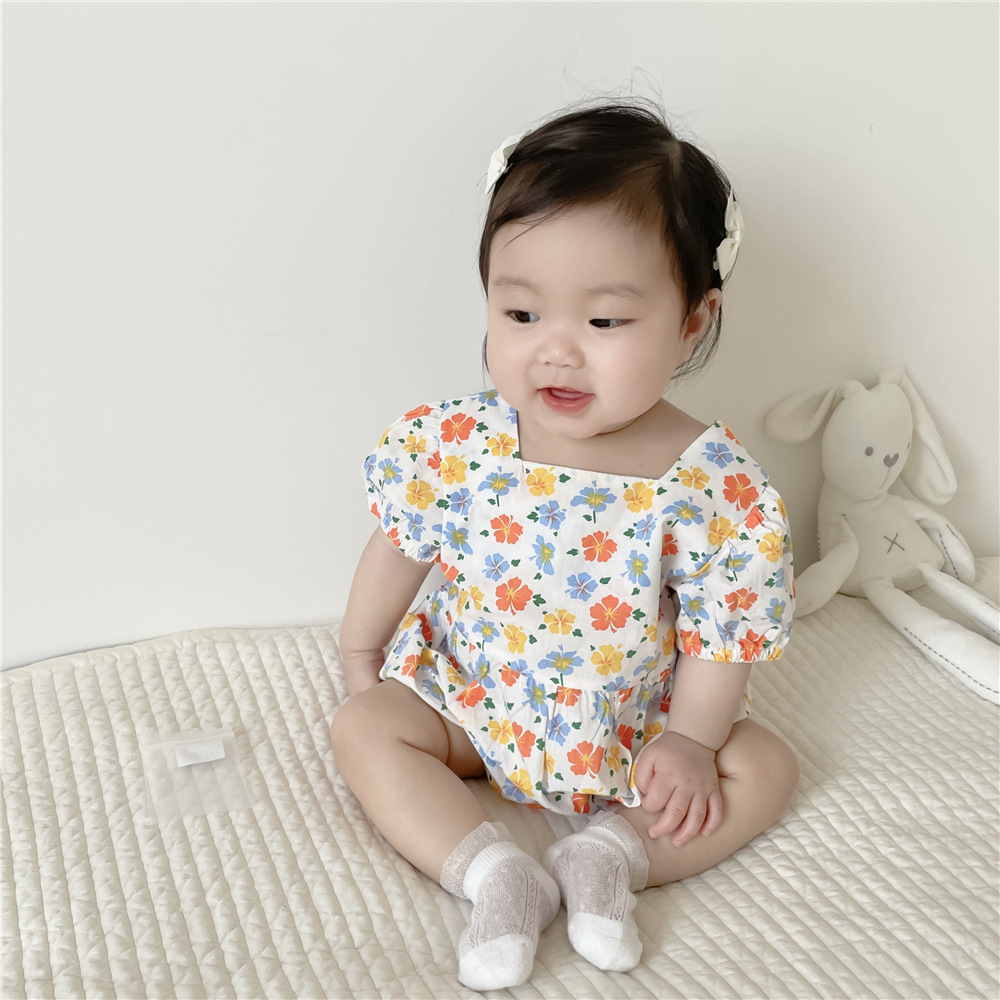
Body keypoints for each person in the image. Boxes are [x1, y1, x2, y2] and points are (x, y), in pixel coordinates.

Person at [331, 101, 799, 992]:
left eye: (605, 323)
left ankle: (614, 856)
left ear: (693, 322)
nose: (555, 352)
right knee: (362, 728)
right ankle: (491, 872)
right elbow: (399, 544)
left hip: (632, 728)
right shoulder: (461, 444)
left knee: (764, 765)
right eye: (520, 312)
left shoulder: (711, 483)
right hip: (475, 706)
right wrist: (362, 654)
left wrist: (691, 742)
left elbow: (720, 632)